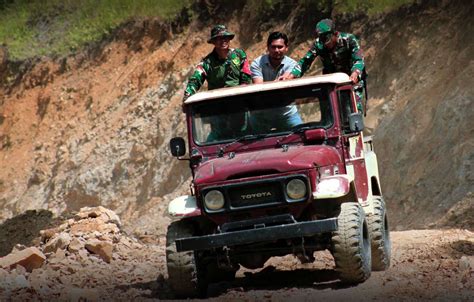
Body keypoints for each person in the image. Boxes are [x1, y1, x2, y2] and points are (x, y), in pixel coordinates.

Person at [284, 19, 366, 112]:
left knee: (354, 108)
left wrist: (355, 73)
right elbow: (305, 61)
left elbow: (359, 59)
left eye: (327, 38)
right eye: (322, 39)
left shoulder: (349, 40)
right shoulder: (318, 44)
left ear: (335, 33)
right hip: (331, 83)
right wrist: (291, 76)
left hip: (351, 80)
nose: (325, 43)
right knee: (332, 111)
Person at [249, 32, 302, 132]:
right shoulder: (257, 63)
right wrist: (277, 83)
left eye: (280, 47)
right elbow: (259, 87)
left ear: (286, 48)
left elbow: (286, 79)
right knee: (248, 144)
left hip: (287, 114)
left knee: (302, 137)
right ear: (268, 48)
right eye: (273, 47)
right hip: (262, 115)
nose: (276, 50)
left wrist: (282, 81)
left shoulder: (292, 64)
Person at [183, 24, 252, 101]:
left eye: (225, 38)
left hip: (239, 100)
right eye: (219, 38)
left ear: (229, 39)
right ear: (213, 42)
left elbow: (246, 78)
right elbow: (195, 80)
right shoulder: (206, 63)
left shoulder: (239, 55)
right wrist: (187, 96)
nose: (223, 41)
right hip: (217, 104)